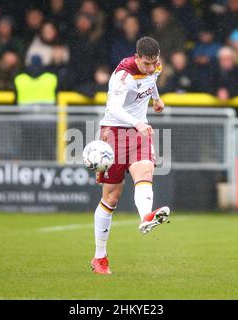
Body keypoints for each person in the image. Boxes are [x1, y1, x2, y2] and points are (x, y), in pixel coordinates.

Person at [91, 37, 170, 275]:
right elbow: (113, 108)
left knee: (145, 171)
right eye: (146, 63)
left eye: (154, 62)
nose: (151, 67)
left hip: (139, 130)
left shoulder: (155, 65)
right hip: (114, 131)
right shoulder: (123, 76)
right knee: (112, 198)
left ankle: (146, 215)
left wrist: (156, 98)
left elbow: (152, 79)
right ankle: (100, 257)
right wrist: (136, 122)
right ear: (137, 57)